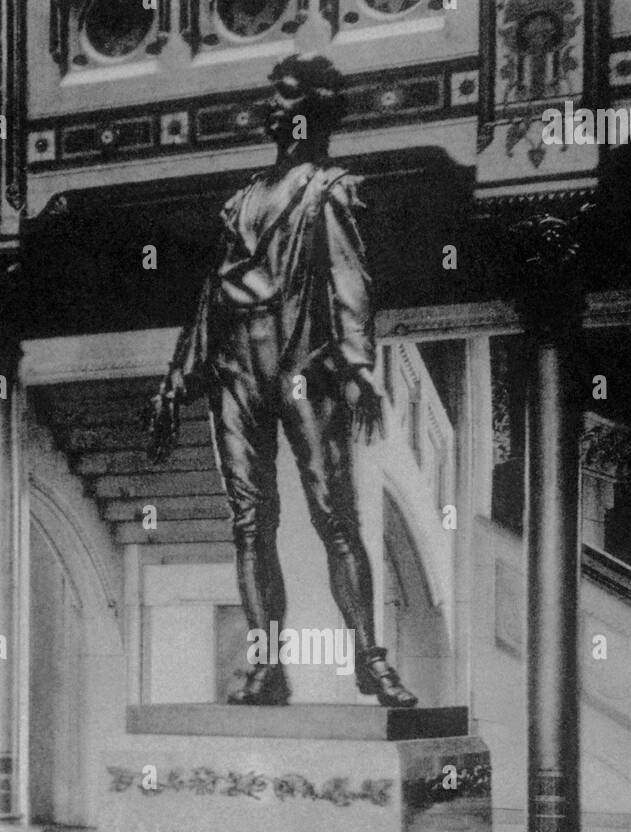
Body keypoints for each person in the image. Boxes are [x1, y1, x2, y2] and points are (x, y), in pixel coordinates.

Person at [150, 52, 417, 708]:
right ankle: (266, 663)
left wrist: (357, 366)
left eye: (285, 94)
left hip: (301, 365)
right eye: (272, 94)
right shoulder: (238, 199)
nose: (271, 106)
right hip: (235, 370)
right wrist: (176, 378)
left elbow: (350, 277)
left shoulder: (329, 187)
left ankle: (368, 660)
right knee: (249, 521)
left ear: (313, 109)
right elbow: (209, 293)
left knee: (335, 515)